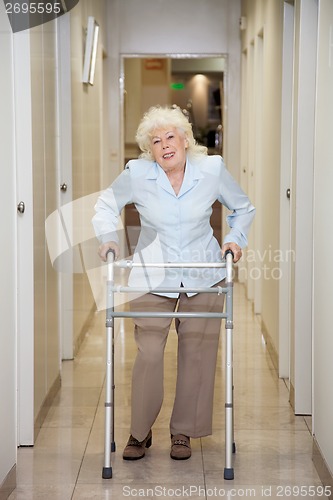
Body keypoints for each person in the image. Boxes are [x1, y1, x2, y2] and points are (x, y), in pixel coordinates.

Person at [92, 105, 255, 461]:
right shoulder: (136, 173)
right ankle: (140, 431)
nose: (165, 145)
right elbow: (105, 205)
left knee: (196, 353)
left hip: (203, 272)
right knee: (149, 354)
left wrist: (235, 239)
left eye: (170, 137)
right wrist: (109, 238)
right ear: (148, 149)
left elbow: (243, 207)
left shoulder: (211, 168)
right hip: (153, 272)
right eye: (156, 141)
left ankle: (182, 432)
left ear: (185, 139)